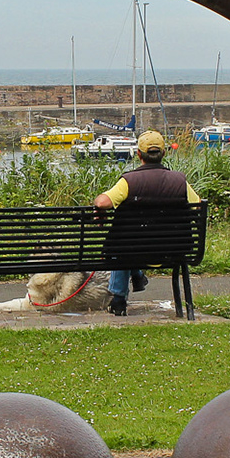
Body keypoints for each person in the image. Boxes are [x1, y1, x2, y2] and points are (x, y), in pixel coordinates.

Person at [92, 130, 201, 317]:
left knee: (122, 246)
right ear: (164, 153)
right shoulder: (180, 181)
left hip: (132, 250)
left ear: (139, 154)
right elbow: (198, 207)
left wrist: (98, 208)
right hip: (173, 250)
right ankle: (138, 276)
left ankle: (119, 299)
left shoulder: (129, 181)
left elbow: (102, 203)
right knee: (128, 244)